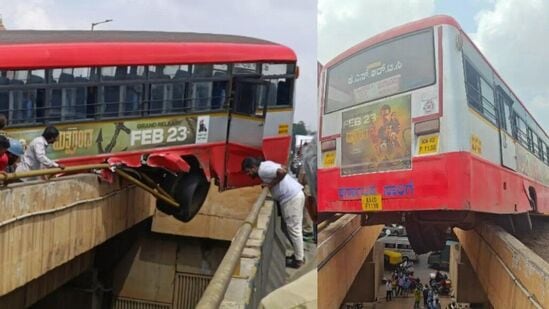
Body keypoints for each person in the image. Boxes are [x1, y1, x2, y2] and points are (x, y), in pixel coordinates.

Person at [242, 157, 305, 268]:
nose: (249, 174)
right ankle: (298, 254)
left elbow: (283, 171)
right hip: (293, 196)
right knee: (286, 228)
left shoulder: (262, 170)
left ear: (253, 167)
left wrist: (270, 185)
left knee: (294, 229)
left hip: (291, 198)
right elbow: (283, 167)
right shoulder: (266, 164)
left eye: (248, 171)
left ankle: (299, 260)